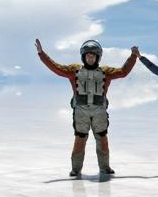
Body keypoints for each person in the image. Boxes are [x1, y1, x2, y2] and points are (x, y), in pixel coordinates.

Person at [35, 39, 138, 176]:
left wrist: (133, 56)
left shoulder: (105, 71)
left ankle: (105, 167)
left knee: (102, 138)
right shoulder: (74, 70)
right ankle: (76, 169)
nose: (90, 57)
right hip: (81, 113)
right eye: (88, 55)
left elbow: (123, 72)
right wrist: (42, 54)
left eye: (93, 55)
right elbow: (57, 68)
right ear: (83, 56)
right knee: (80, 139)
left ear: (98, 56)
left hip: (99, 112)